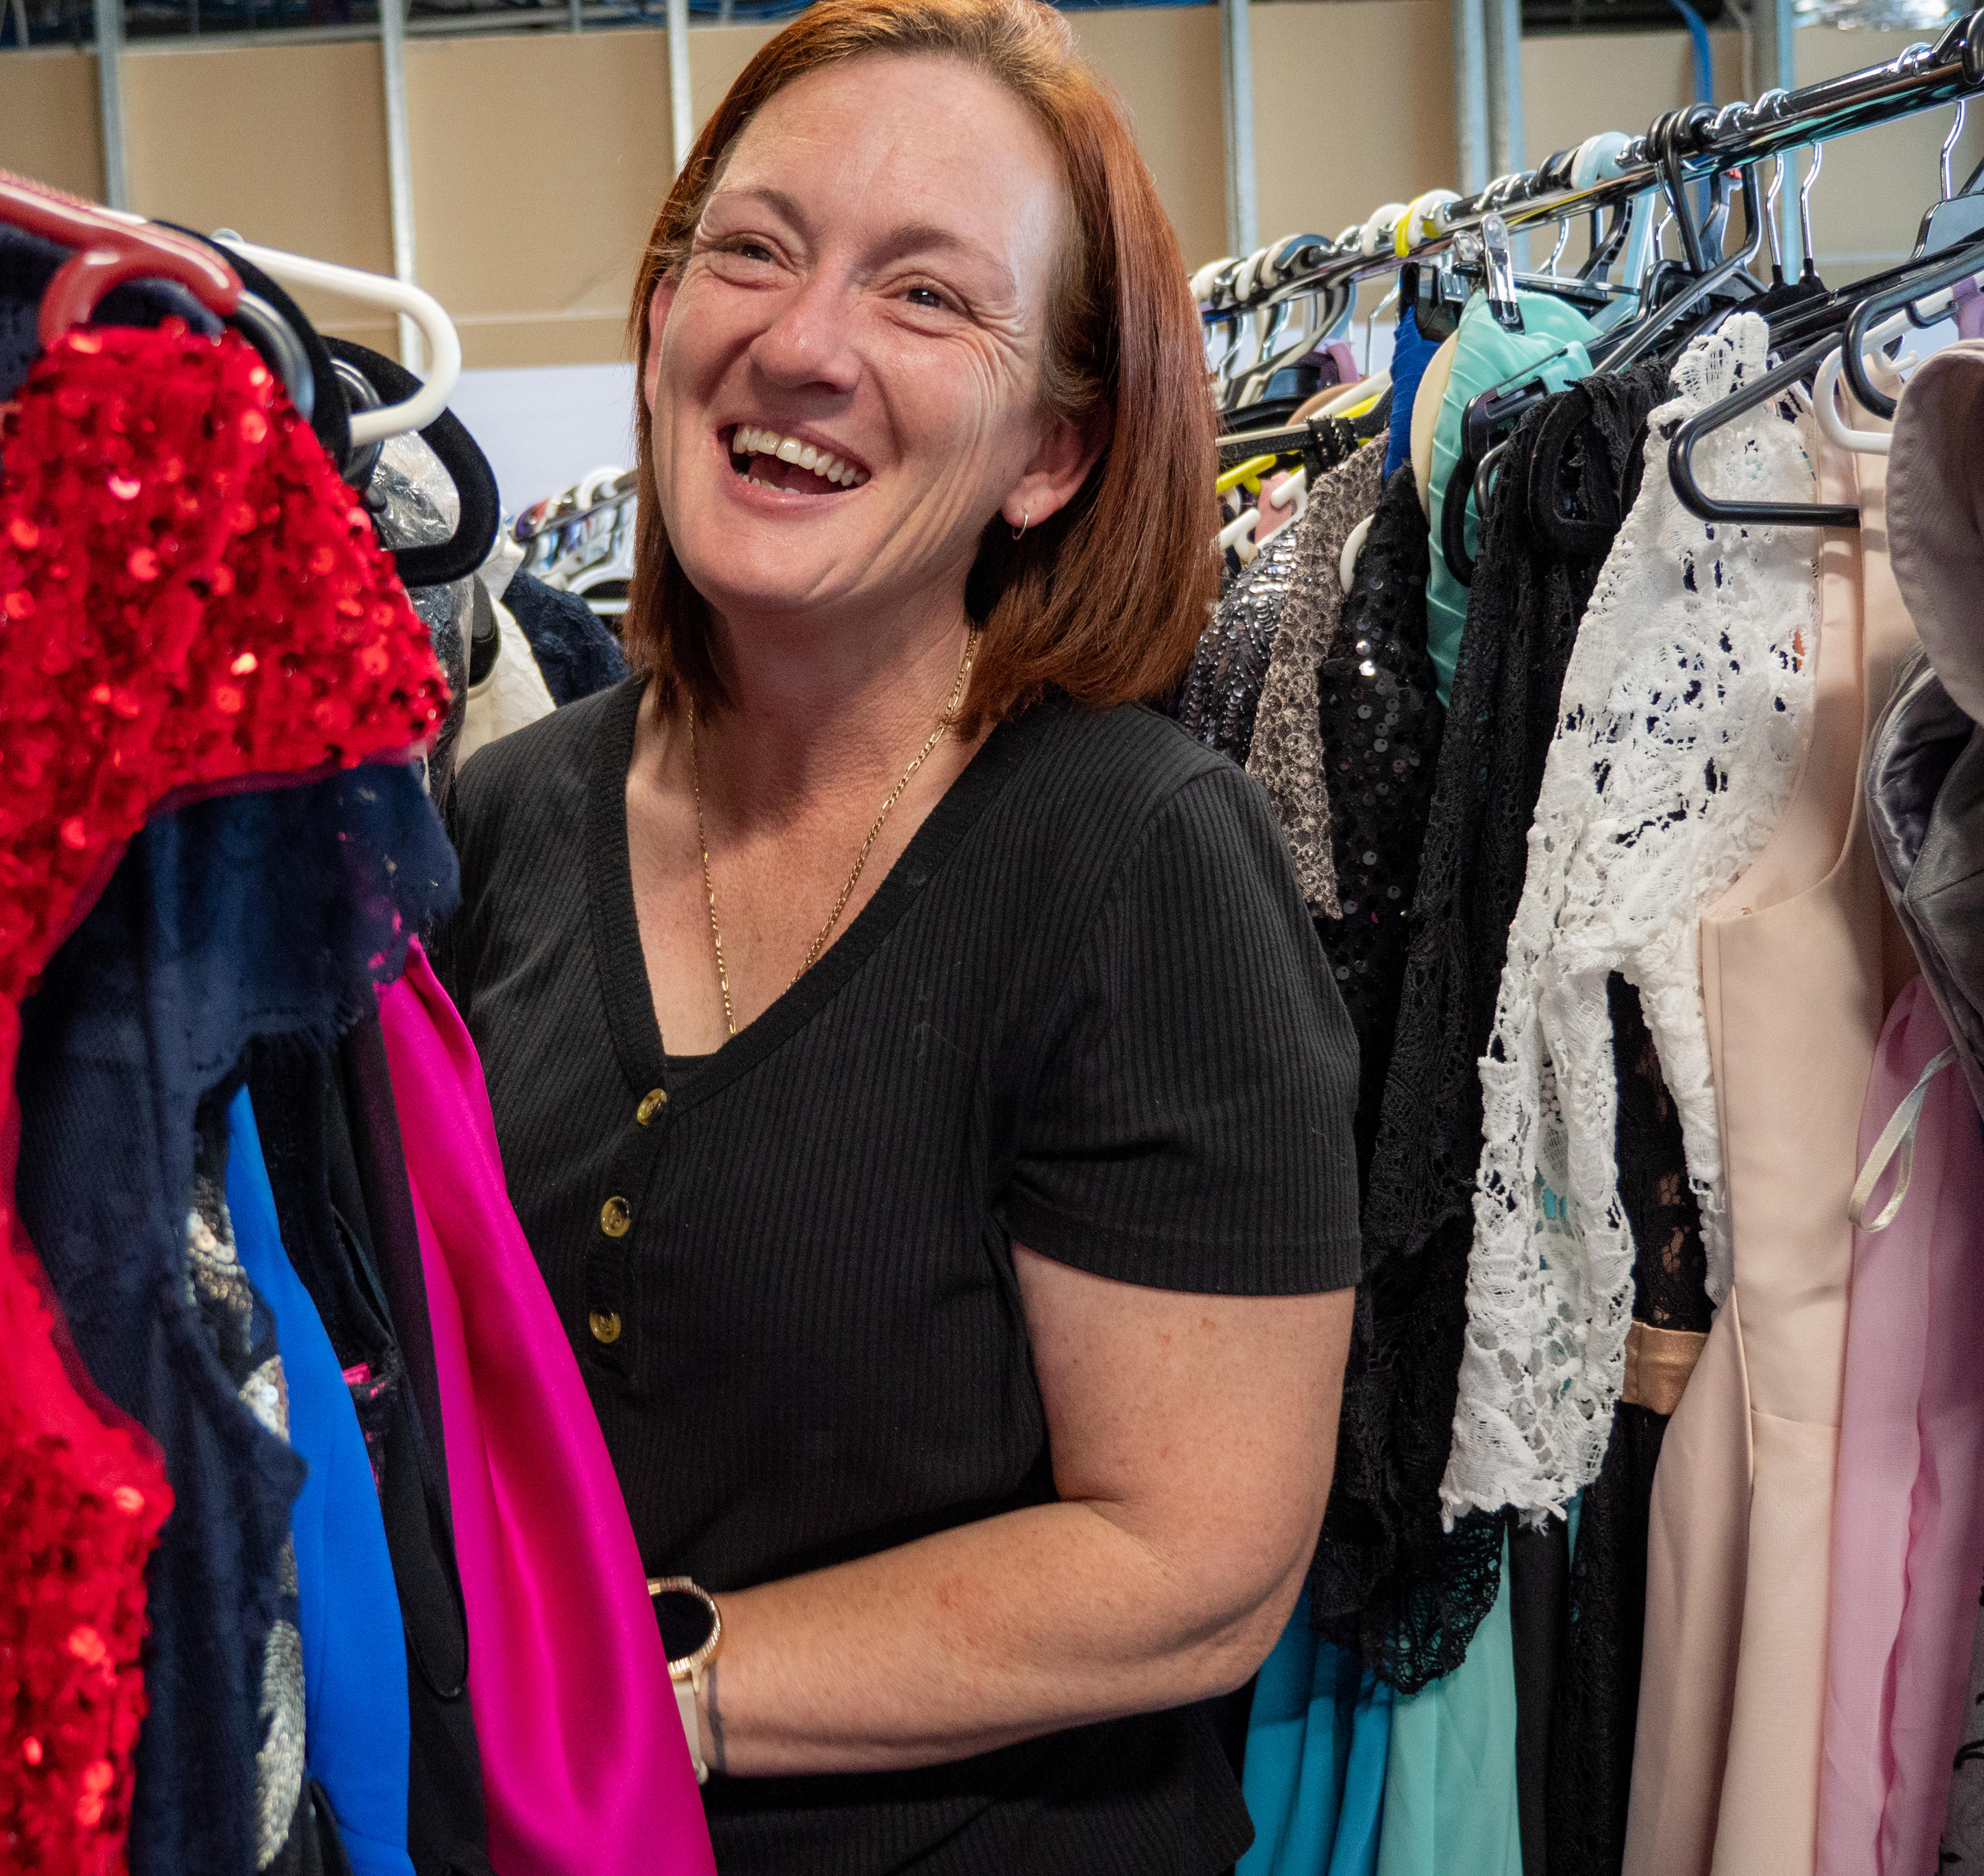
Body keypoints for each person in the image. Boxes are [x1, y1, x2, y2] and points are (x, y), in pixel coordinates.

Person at [435, 0, 1359, 1866]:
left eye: (927, 297)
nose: (803, 345)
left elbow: (1192, 1564)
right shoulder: (499, 819)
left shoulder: (1135, 861)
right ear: (661, 321)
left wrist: (650, 1701)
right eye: (753, 252)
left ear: (1050, 455)